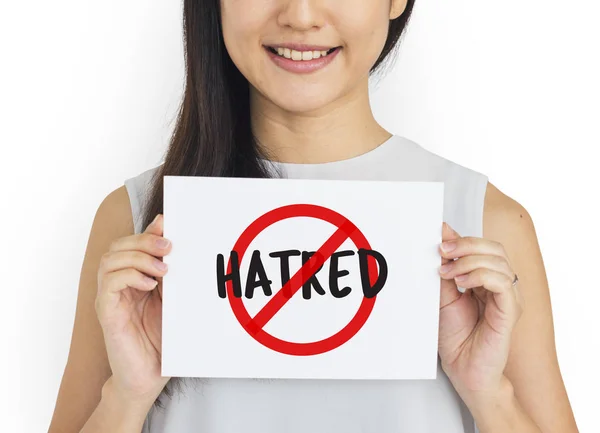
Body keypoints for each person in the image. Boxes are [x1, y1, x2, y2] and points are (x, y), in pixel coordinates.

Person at [48, 0, 579, 432]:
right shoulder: (139, 218)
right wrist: (128, 395)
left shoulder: (487, 222)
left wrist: (490, 395)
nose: (301, 15)